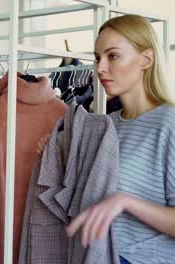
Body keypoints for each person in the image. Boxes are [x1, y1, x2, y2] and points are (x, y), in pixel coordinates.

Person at [65, 15, 175, 264]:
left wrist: (125, 201)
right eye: (97, 58)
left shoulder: (169, 123)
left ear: (146, 59)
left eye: (112, 56)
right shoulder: (105, 124)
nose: (100, 68)